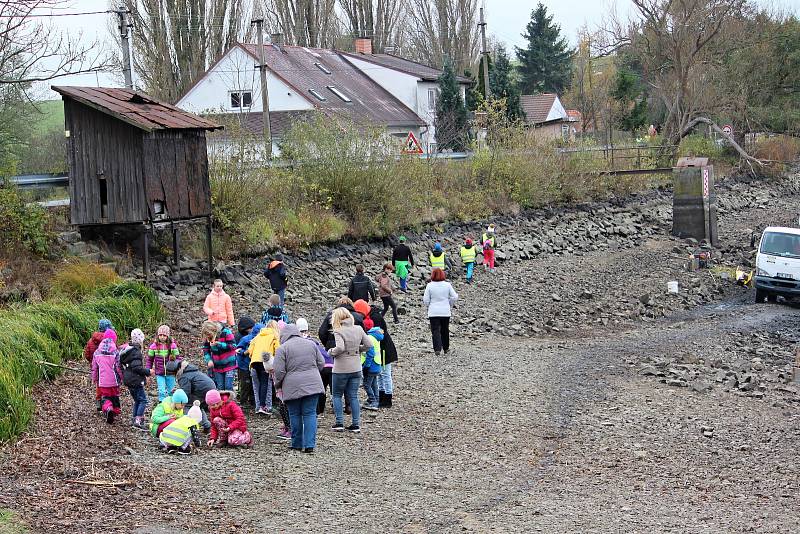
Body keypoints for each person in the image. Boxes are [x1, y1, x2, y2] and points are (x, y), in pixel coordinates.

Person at [274, 324, 325, 453]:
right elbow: (321, 363)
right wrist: (312, 373)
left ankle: (296, 443)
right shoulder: (311, 344)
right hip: (313, 384)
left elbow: (279, 372)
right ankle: (309, 445)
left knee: (294, 414)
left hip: (292, 386)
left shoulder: (282, 349)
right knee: (310, 414)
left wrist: (278, 385)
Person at [329, 308, 372, 433]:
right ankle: (355, 424)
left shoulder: (338, 331)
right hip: (356, 367)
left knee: (337, 395)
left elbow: (340, 347)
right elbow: (369, 345)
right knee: (353, 396)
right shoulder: (358, 329)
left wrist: (330, 352)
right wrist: (358, 349)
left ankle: (339, 423)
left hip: (341, 368)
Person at [296, 318, 333, 417]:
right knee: (324, 388)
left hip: (322, 366)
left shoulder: (302, 343)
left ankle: (318, 410)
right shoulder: (313, 341)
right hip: (330, 364)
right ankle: (322, 409)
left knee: (318, 389)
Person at [169, 359, 216, 432]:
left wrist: (176, 395)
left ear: (175, 371)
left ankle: (188, 426)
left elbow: (185, 393)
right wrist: (178, 390)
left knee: (186, 405)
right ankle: (207, 425)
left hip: (202, 391)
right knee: (198, 406)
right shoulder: (189, 370)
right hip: (210, 389)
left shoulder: (183, 376)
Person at [246, 320, 279, 416]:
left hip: (254, 362)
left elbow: (250, 350)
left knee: (257, 385)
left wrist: (253, 357)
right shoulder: (274, 336)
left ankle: (259, 406)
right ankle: (263, 406)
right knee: (265, 383)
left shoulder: (258, 336)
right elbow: (277, 349)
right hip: (265, 361)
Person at [423, 268, 458, 356]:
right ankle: (446, 348)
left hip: (433, 311)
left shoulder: (430, 285)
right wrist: (449, 303)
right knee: (445, 330)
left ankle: (437, 349)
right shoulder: (447, 285)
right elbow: (455, 296)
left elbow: (426, 300)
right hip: (445, 311)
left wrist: (429, 305)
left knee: (435, 330)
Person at [119, 328, 150, 430]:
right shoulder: (136, 352)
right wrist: (148, 372)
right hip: (135, 379)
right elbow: (137, 368)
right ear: (140, 340)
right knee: (143, 400)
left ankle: (134, 418)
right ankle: (138, 420)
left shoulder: (127, 351)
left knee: (137, 400)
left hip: (128, 379)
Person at [146, 325, 182, 402]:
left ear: (167, 336)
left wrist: (178, 369)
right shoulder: (153, 346)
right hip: (159, 373)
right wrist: (148, 371)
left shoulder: (172, 345)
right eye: (160, 335)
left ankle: (171, 404)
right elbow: (149, 360)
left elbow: (178, 358)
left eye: (164, 335)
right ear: (158, 335)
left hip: (171, 372)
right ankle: (162, 404)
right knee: (161, 391)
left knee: (171, 390)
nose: (162, 337)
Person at [85, 319, 115, 411]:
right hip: (107, 367)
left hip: (96, 367)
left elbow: (87, 354)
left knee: (99, 384)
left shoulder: (91, 340)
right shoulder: (110, 340)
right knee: (108, 383)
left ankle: (98, 400)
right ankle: (107, 400)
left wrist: (91, 362)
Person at [92, 336, 122, 424]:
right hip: (114, 380)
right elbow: (118, 367)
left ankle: (108, 408)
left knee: (105, 397)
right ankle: (116, 410)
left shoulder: (96, 353)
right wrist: (121, 377)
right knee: (115, 395)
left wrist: (94, 378)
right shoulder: (115, 352)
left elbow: (94, 368)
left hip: (103, 381)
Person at [201, 321, 237, 391]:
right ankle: (221, 401)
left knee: (228, 386)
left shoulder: (226, 332)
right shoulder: (208, 337)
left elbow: (233, 346)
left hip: (229, 364)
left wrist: (219, 344)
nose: (209, 338)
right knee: (220, 386)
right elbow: (205, 349)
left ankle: (230, 401)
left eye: (210, 335)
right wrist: (209, 360)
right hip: (217, 366)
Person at [234, 316, 256, 408]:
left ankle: (251, 399)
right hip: (243, 364)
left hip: (250, 363)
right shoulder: (240, 337)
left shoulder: (252, 335)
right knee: (244, 383)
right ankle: (243, 400)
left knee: (251, 382)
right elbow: (238, 350)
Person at [361, 327, 384, 411]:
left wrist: (366, 366)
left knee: (366, 384)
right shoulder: (376, 339)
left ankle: (373, 401)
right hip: (377, 365)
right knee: (374, 384)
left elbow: (370, 354)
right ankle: (376, 400)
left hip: (371, 366)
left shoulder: (369, 338)